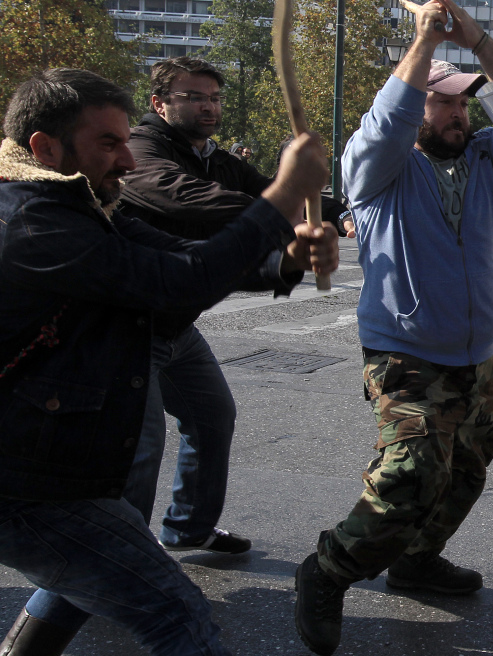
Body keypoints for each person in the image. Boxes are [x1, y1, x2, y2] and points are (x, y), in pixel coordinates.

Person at [0, 67, 335, 656]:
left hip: (48, 466)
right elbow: (176, 281)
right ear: (44, 147)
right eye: (109, 143)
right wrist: (281, 198)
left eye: (126, 140)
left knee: (93, 562)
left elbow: (179, 253)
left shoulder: (73, 201)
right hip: (24, 482)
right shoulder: (31, 220)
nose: (127, 161)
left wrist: (283, 262)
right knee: (178, 616)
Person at [291, 1, 493, 653]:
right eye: (444, 103)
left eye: (463, 104)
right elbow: (387, 120)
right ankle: (327, 571)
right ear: (416, 110)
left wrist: (477, 38)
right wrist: (424, 42)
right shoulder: (379, 171)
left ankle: (415, 561)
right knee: (410, 475)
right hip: (406, 356)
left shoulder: (490, 160)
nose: (459, 114)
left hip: (477, 355)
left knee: (466, 468)